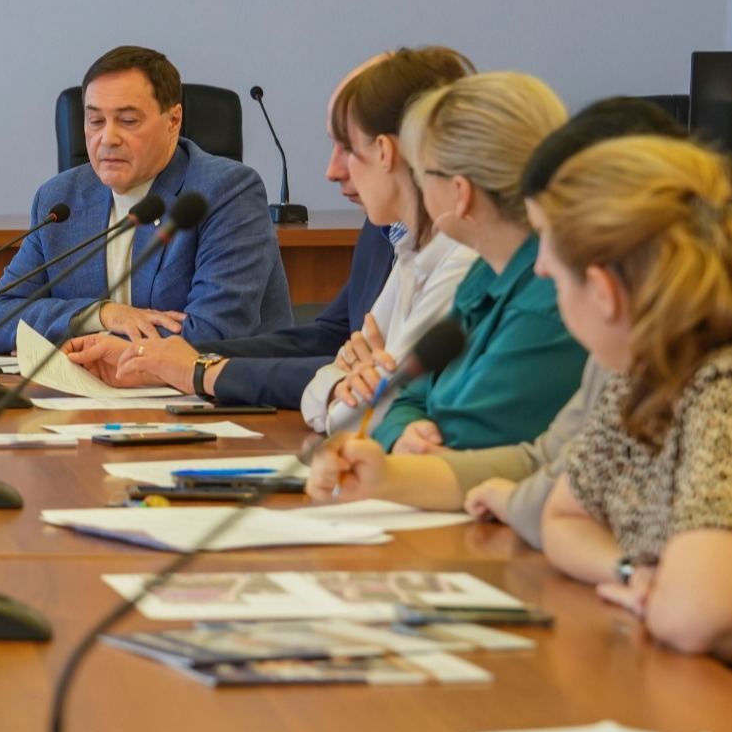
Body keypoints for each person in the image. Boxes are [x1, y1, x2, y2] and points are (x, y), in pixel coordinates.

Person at [306, 98, 687, 545]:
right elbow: (543, 463)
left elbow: (491, 456)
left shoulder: (698, 376)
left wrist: (605, 558)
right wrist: (386, 473)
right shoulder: (622, 358)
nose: (541, 265)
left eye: (551, 241)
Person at [63, 47, 476, 410]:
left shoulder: (463, 254)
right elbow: (332, 339)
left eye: (347, 147)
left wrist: (200, 370)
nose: (331, 171)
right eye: (95, 120)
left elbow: (383, 385)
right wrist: (153, 358)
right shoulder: (386, 231)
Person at [535, 137, 732, 657]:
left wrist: (663, 595)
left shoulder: (721, 387)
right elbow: (563, 519)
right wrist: (632, 572)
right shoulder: (642, 378)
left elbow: (695, 614)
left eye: (557, 282)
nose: (543, 279)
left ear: (603, 293)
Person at [0, 45, 290, 353]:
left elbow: (214, 334)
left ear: (173, 120)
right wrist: (100, 314)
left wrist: (87, 347)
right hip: (83, 384)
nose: (108, 138)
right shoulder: (60, 199)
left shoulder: (227, 192)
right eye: (95, 121)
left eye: (128, 121)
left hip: (211, 384)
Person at [367, 72, 584, 452]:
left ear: (460, 193)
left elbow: (463, 441)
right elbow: (409, 398)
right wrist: (401, 435)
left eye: (420, 173)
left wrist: (404, 442)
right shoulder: (486, 271)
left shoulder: (546, 303)